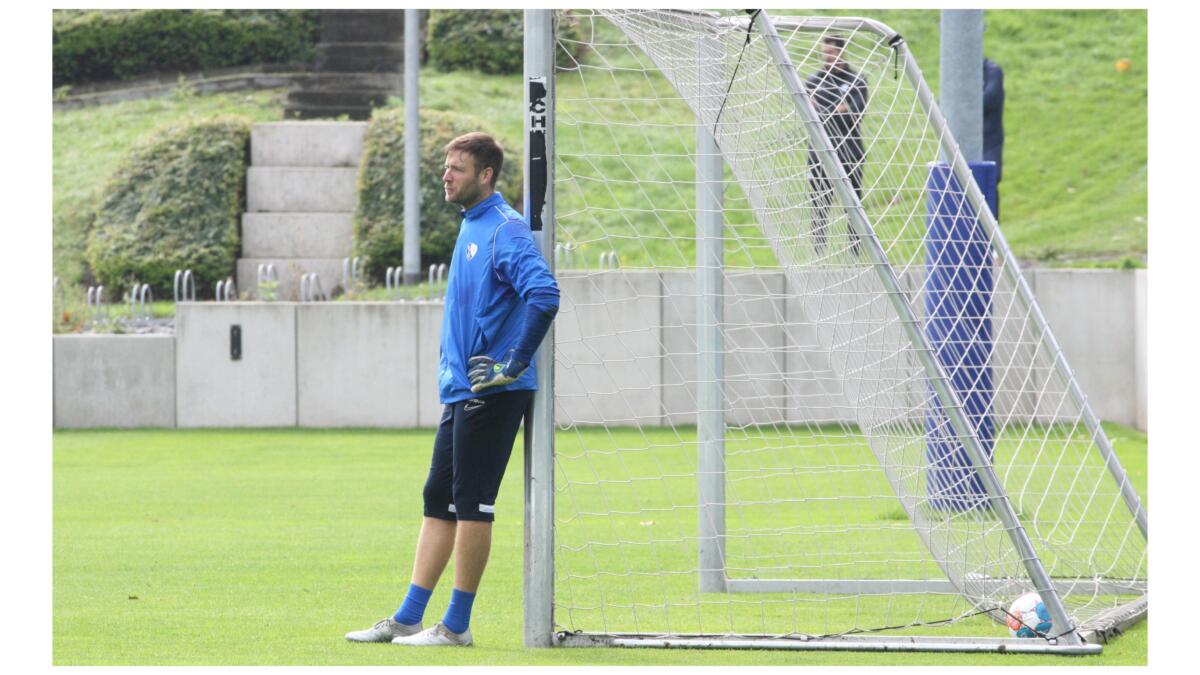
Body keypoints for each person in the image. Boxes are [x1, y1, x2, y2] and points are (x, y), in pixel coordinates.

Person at [345, 132, 559, 647]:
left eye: (457, 168)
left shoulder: (504, 230)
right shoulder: (472, 226)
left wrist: (513, 363)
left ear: (485, 175)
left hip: (494, 390)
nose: (446, 175)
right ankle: (408, 617)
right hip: (462, 389)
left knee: (471, 505)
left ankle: (456, 626)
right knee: (437, 499)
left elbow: (544, 293)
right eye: (446, 166)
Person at [806, 34, 869, 256]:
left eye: (832, 53)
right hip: (819, 151)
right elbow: (808, 115)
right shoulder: (813, 82)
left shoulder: (857, 81)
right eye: (825, 53)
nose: (828, 57)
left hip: (850, 151)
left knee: (852, 203)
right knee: (819, 203)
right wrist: (838, 109)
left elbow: (855, 116)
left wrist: (824, 111)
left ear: (842, 52)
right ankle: (819, 252)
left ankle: (855, 251)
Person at [982, 57, 1005, 218]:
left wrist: (960, 102)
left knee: (987, 183)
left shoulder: (992, 71)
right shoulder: (953, 70)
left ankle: (991, 238)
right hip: (959, 144)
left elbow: (989, 99)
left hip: (989, 142)